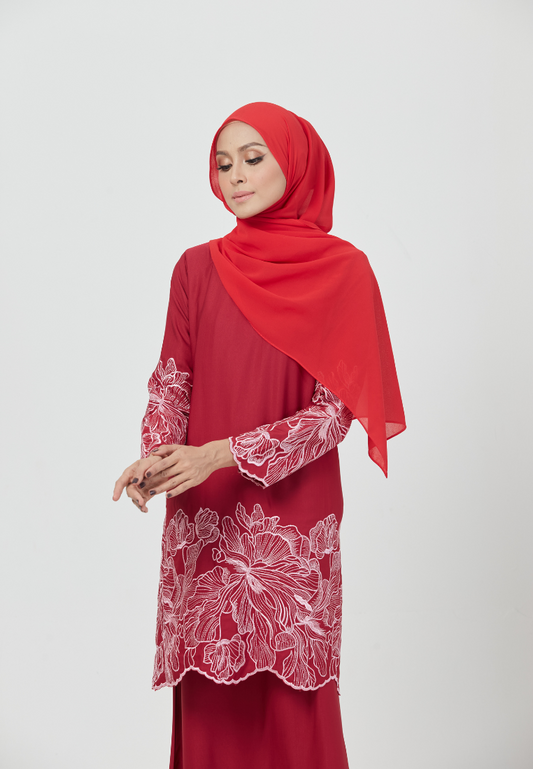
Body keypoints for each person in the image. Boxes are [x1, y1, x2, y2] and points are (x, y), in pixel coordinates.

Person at [113, 102, 405, 769]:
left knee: (293, 703)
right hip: (205, 519)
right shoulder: (196, 268)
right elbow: (173, 382)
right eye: (223, 164)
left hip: (290, 524)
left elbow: (334, 415)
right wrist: (156, 457)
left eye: (252, 158)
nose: (235, 176)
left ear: (294, 165)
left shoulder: (343, 271)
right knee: (211, 701)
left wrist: (220, 454)